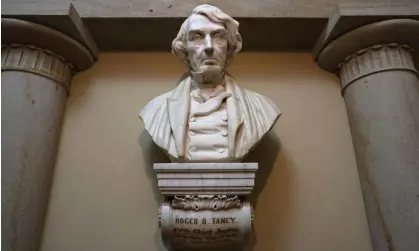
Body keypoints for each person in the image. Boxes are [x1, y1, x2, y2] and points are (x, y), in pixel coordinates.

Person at [139, 4, 281, 162]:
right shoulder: (157, 109)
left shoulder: (261, 108)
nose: (209, 47)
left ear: (229, 47)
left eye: (218, 36)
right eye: (197, 37)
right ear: (185, 49)